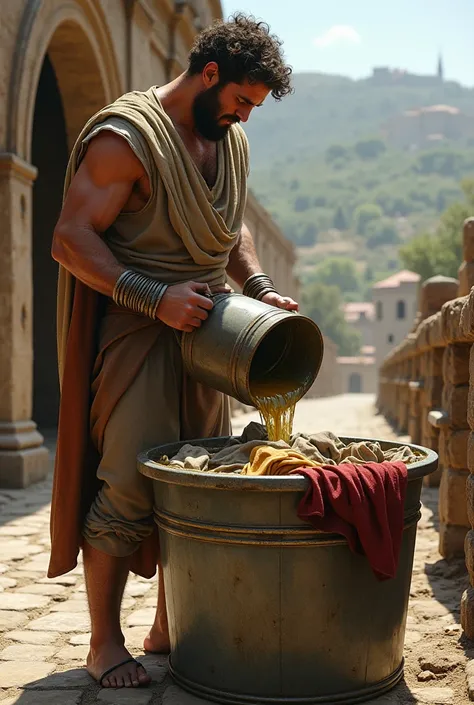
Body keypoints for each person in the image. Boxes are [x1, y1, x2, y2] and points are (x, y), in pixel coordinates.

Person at [49, 13, 296, 689]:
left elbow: (228, 222)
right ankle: (104, 642)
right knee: (129, 482)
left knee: (197, 487)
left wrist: (261, 286)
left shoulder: (227, 141)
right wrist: (153, 296)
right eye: (242, 101)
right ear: (209, 75)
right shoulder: (126, 137)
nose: (245, 117)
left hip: (208, 336)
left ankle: (169, 628)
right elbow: (70, 237)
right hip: (136, 333)